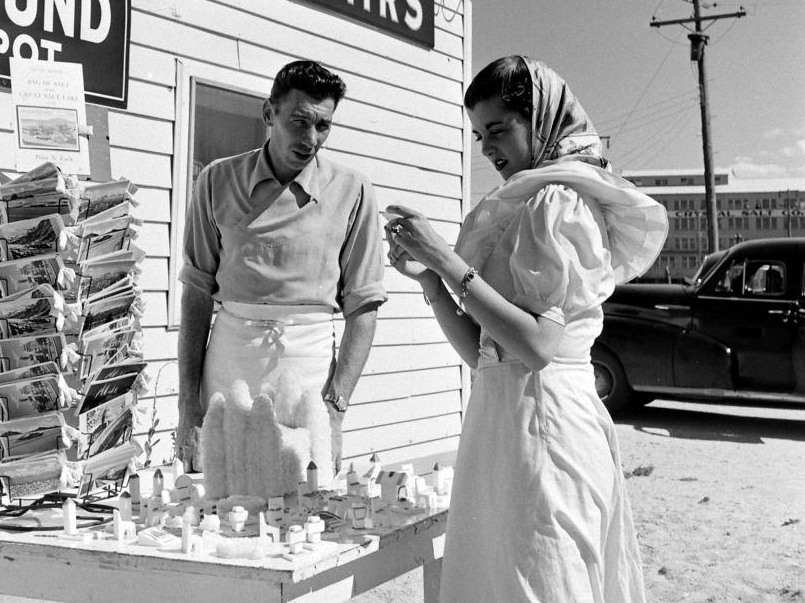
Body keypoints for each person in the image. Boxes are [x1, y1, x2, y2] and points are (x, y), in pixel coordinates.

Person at [385, 55, 667, 603]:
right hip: (501, 423)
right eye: (477, 135)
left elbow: (537, 347)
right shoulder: (530, 201)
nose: (487, 148)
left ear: (539, 121)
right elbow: (485, 353)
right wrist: (429, 282)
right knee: (499, 578)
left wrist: (448, 262)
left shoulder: (559, 201)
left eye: (499, 129)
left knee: (542, 580)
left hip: (548, 425)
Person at [177, 59, 386, 473]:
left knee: (305, 501)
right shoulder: (217, 181)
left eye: (323, 126)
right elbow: (197, 294)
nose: (311, 138)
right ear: (269, 114)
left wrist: (336, 409)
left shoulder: (353, 189)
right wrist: (187, 404)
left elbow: (363, 309)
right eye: (299, 121)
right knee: (223, 493)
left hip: (309, 370)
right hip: (231, 359)